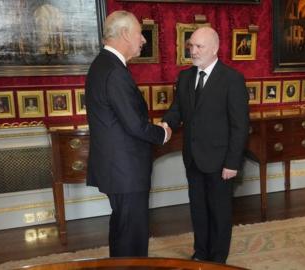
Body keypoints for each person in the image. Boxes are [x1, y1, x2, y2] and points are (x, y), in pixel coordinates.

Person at [85, 10, 171, 258]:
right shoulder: (114, 71)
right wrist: (162, 133)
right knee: (132, 236)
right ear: (124, 34)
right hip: (126, 170)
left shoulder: (103, 64)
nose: (143, 40)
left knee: (122, 229)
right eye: (139, 34)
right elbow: (135, 124)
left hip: (117, 168)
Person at [161, 26, 249, 264]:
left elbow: (240, 126)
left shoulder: (232, 79)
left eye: (199, 46)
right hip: (193, 158)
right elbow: (177, 109)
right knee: (198, 209)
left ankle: (218, 260)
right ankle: (201, 253)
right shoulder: (186, 76)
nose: (194, 50)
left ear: (215, 49)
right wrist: (166, 123)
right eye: (191, 45)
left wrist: (232, 162)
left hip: (221, 161)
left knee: (219, 212)